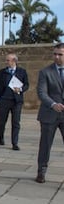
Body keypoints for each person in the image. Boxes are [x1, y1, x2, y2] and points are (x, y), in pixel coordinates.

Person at [35, 43, 64, 183]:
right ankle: (41, 171)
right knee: (45, 145)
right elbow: (41, 92)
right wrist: (53, 104)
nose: (57, 57)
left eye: (60, 54)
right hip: (49, 114)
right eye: (55, 54)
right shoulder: (45, 72)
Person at [0, 53, 29, 150]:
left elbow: (27, 84)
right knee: (2, 121)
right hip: (4, 100)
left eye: (8, 60)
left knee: (16, 122)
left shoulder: (22, 72)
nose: (6, 62)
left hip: (16, 101)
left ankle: (15, 143)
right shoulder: (1, 72)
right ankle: (1, 136)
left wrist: (21, 89)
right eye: (6, 60)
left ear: (14, 61)